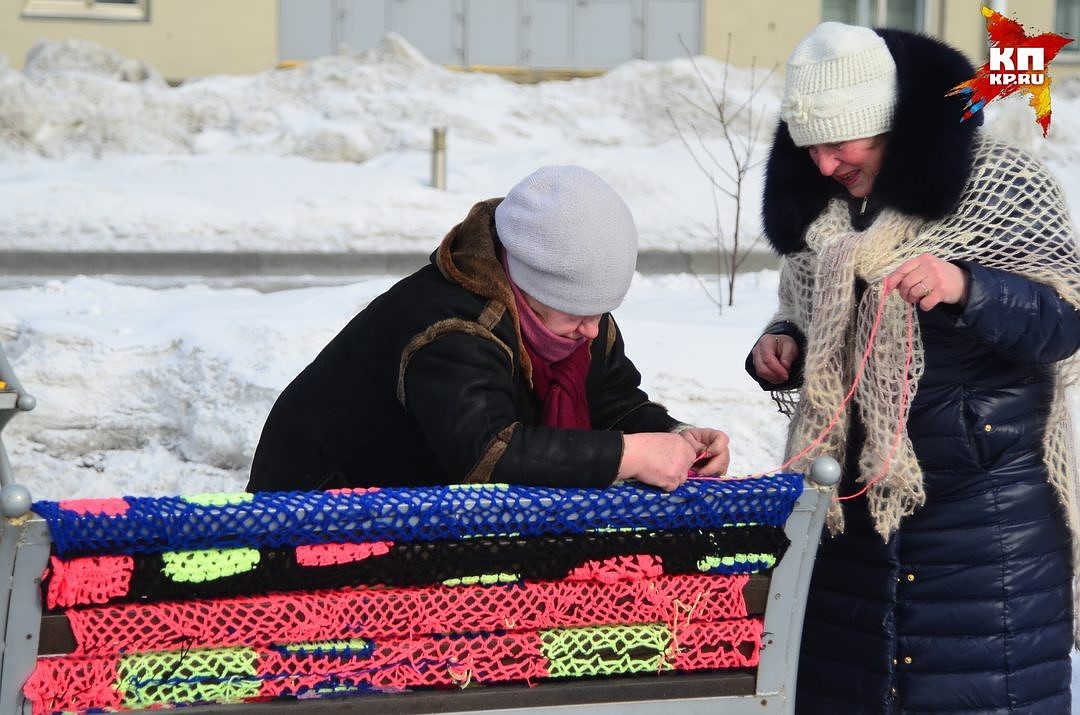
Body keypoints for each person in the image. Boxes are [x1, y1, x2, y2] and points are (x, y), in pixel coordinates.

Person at [746, 22, 1080, 714]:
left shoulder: (1003, 182)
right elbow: (806, 312)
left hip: (985, 537)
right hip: (846, 527)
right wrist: (784, 345)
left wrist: (969, 288)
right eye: (810, 149)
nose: (825, 166)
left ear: (889, 124)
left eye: (842, 145)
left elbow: (1064, 320)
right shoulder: (822, 211)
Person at [249, 165, 730, 494]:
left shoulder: (575, 320)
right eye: (574, 311)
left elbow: (612, 403)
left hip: (421, 512)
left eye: (602, 310)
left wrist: (676, 437)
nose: (591, 330)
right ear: (528, 284)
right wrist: (630, 455)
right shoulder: (452, 327)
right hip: (319, 514)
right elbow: (487, 453)